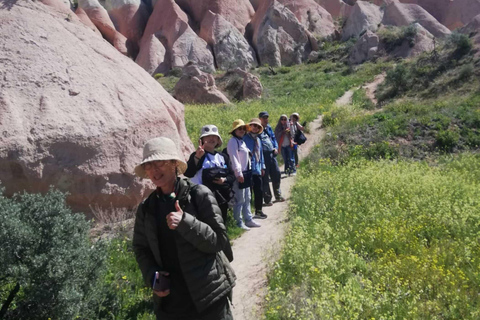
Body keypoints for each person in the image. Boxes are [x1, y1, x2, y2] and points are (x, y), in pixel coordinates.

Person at [132, 137, 236, 320]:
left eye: (160, 163)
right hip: (171, 305)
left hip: (208, 299)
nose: (155, 170)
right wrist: (152, 276)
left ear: (174, 164)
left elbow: (219, 241)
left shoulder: (199, 194)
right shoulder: (146, 208)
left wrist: (186, 223)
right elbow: (141, 248)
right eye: (149, 165)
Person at [184, 124, 235, 224]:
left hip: (221, 198)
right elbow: (188, 173)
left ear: (218, 139)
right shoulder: (197, 155)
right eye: (208, 136)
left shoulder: (223, 157)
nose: (211, 138)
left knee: (221, 223)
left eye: (214, 136)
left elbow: (231, 176)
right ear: (202, 139)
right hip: (203, 199)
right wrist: (197, 158)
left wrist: (224, 180)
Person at [227, 119, 261, 231]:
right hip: (239, 174)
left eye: (243, 129)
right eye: (239, 128)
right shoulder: (233, 141)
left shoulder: (242, 141)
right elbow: (234, 158)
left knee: (247, 197)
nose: (241, 130)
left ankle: (248, 219)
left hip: (246, 173)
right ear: (234, 130)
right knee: (239, 199)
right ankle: (238, 221)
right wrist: (238, 173)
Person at [243, 118, 268, 219]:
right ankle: (247, 214)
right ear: (250, 126)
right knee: (248, 193)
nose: (255, 128)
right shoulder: (245, 138)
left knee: (259, 190)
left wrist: (262, 167)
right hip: (248, 169)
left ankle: (258, 210)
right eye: (254, 125)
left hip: (257, 169)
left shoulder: (258, 140)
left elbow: (260, 154)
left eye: (258, 127)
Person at [258, 111, 285, 205]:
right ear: (260, 119)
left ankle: (278, 195)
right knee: (265, 177)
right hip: (263, 155)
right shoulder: (257, 129)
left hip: (271, 154)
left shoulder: (268, 127)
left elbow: (273, 138)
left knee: (276, 174)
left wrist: (276, 147)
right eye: (264, 118)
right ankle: (267, 199)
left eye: (266, 117)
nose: (266, 119)